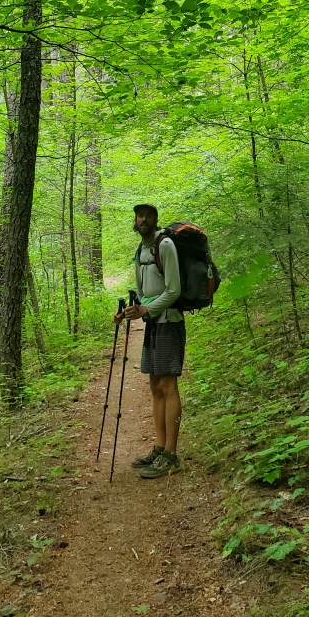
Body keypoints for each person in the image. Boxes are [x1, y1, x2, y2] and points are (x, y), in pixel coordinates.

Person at [120, 202, 185, 479]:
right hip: (153, 324)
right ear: (135, 221)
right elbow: (144, 292)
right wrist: (131, 310)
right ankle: (159, 448)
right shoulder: (141, 250)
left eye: (148, 216)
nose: (143, 219)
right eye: (139, 216)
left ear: (155, 220)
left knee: (168, 386)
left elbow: (174, 290)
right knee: (155, 387)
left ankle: (171, 454)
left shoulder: (165, 245)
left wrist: (147, 309)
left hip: (170, 322)